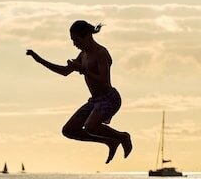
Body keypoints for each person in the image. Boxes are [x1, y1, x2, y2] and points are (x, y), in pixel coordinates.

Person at [26, 20, 132, 164]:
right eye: (72, 40)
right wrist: (39, 60)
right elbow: (64, 71)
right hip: (95, 101)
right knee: (69, 130)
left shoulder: (101, 53)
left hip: (109, 99)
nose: (74, 44)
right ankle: (110, 142)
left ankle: (123, 137)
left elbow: (104, 81)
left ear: (87, 36)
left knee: (90, 126)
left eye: (76, 40)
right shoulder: (83, 55)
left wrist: (82, 70)